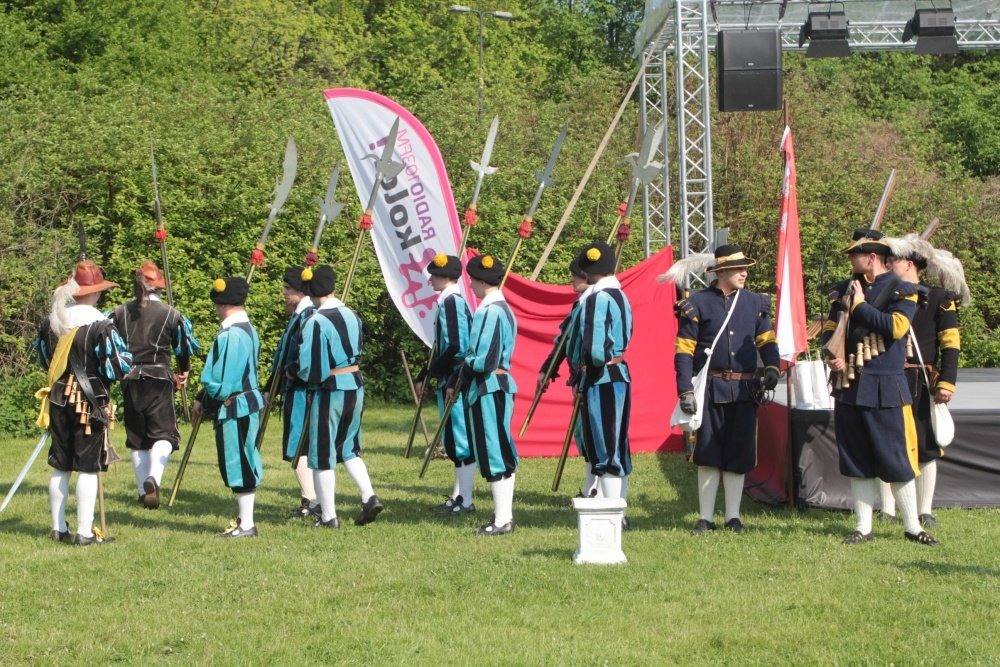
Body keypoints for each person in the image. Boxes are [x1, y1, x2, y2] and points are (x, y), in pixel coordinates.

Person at [822, 230, 938, 546]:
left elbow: (896, 328)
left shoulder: (904, 289)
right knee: (857, 460)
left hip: (885, 385)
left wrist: (860, 307)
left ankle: (913, 526)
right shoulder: (846, 289)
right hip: (849, 383)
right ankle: (863, 526)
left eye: (855, 255)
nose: (850, 260)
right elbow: (832, 327)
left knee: (896, 458)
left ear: (872, 257)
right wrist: (831, 354)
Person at [672, 245, 780, 535]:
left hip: (746, 390)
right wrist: (685, 390)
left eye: (746, 268)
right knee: (707, 453)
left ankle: (733, 517)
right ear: (721, 272)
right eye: (738, 269)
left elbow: (767, 341)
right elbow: (683, 351)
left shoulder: (756, 302)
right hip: (710, 388)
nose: (744, 273)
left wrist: (772, 367)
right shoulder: (698, 304)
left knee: (739, 454)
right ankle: (705, 518)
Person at [35, 260, 132, 546]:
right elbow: (117, 368)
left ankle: (57, 527)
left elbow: (44, 360)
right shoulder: (102, 326)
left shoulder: (51, 323)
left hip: (57, 399)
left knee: (61, 464)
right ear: (95, 293)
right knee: (89, 467)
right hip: (90, 403)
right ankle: (85, 532)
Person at [878, 234, 968, 528]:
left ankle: (925, 509)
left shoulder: (939, 298)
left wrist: (947, 382)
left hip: (919, 377)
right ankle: (887, 509)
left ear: (908, 263)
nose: (888, 264)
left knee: (926, 445)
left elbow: (950, 344)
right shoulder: (883, 295)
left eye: (893, 260)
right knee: (886, 441)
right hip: (887, 376)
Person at [291, 265, 383, 529]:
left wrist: (303, 378)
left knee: (321, 452)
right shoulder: (351, 315)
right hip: (355, 383)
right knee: (348, 446)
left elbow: (310, 366)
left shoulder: (316, 322)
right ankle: (368, 495)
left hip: (329, 387)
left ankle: (328, 515)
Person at [109, 260, 198, 510]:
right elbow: (182, 347)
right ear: (159, 287)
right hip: (159, 379)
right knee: (165, 434)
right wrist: (184, 371)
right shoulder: (172, 314)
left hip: (130, 379)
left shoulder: (118, 312)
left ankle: (141, 491)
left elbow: (108, 345)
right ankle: (154, 479)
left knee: (137, 438)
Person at [567, 242, 634, 523]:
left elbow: (595, 349)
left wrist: (586, 371)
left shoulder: (597, 299)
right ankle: (618, 507)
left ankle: (612, 513)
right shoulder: (622, 296)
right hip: (620, 372)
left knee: (605, 446)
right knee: (617, 441)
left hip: (601, 376)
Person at [193, 277, 264, 539]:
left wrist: (205, 402)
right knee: (240, 459)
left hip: (236, 406)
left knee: (239, 461)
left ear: (221, 304)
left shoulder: (232, 335)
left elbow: (222, 383)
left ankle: (247, 524)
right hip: (241, 403)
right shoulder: (245, 329)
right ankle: (244, 521)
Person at [453, 254, 518, 536]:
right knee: (499, 448)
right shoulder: (503, 308)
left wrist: (464, 371)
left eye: (473, 281)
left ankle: (503, 519)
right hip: (497, 384)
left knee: (493, 450)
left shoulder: (489, 311)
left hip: (487, 386)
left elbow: (483, 359)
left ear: (480, 282)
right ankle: (503, 515)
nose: (472, 285)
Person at [537, 252, 597, 499]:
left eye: (576, 275)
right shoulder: (580, 304)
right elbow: (564, 342)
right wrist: (548, 369)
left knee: (595, 436)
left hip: (593, 378)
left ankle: (595, 490)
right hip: (580, 378)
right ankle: (589, 486)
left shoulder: (594, 303)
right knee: (584, 435)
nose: (571, 279)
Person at [423, 253, 476, 517]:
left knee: (460, 439)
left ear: (446, 277)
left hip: (455, 378)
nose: (430, 278)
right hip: (450, 376)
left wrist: (437, 370)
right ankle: (459, 495)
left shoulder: (452, 303)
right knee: (454, 439)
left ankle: (465, 500)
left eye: (434, 274)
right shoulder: (448, 302)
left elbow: (457, 345)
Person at [264, 266, 318, 518]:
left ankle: (311, 499)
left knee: (299, 447)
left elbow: (301, 353)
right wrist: (269, 389)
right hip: (293, 388)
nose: (284, 293)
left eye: (288, 289)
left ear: (299, 290)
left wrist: (292, 372)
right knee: (299, 446)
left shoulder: (307, 316)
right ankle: (311, 497)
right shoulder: (300, 315)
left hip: (301, 390)